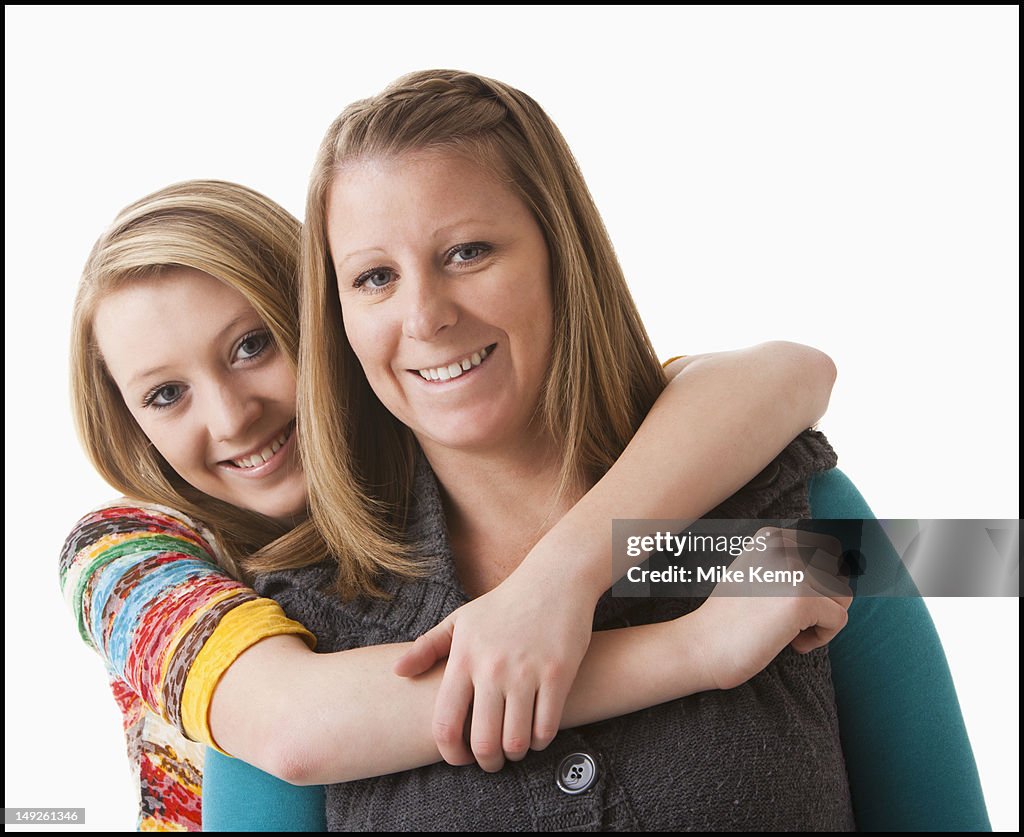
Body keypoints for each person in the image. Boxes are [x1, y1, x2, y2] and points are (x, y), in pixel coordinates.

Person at [203, 70, 991, 831]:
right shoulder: (297, 615)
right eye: (374, 277)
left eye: (468, 252)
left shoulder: (792, 516)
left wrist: (565, 576)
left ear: (559, 251)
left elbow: (977, 560)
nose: (425, 316)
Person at [63, 179, 847, 831]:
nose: (233, 416)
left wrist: (560, 579)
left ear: (329, 315)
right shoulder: (124, 552)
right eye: (165, 394)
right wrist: (698, 648)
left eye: (253, 345)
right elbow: (293, 727)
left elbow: (784, 377)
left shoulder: (478, 450)